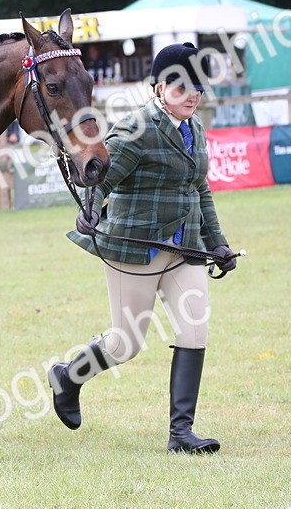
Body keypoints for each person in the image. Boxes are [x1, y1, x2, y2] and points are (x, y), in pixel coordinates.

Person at [48, 42, 238, 454]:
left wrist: (217, 243)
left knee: (194, 329)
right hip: (133, 246)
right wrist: (91, 210)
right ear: (157, 88)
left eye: (197, 89)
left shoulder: (195, 129)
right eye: (181, 87)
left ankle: (181, 434)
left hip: (184, 246)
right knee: (126, 343)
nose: (191, 96)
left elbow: (199, 188)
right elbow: (101, 177)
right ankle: (67, 376)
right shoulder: (137, 128)